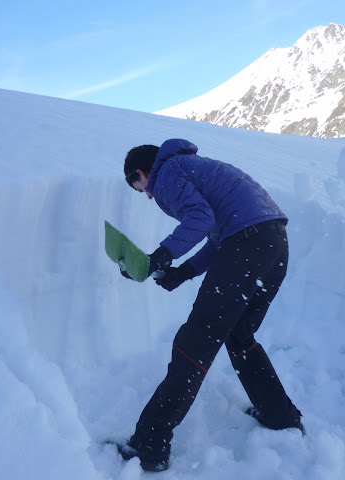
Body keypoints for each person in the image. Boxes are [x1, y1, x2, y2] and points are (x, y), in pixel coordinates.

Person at [116, 138, 304, 472]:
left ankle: (150, 443)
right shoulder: (199, 169)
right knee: (239, 334)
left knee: (195, 341)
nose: (146, 194)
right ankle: (281, 417)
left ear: (143, 172)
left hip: (247, 244)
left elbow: (199, 219)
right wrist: (183, 272)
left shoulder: (168, 170)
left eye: (139, 185)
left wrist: (161, 254)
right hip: (273, 242)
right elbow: (218, 237)